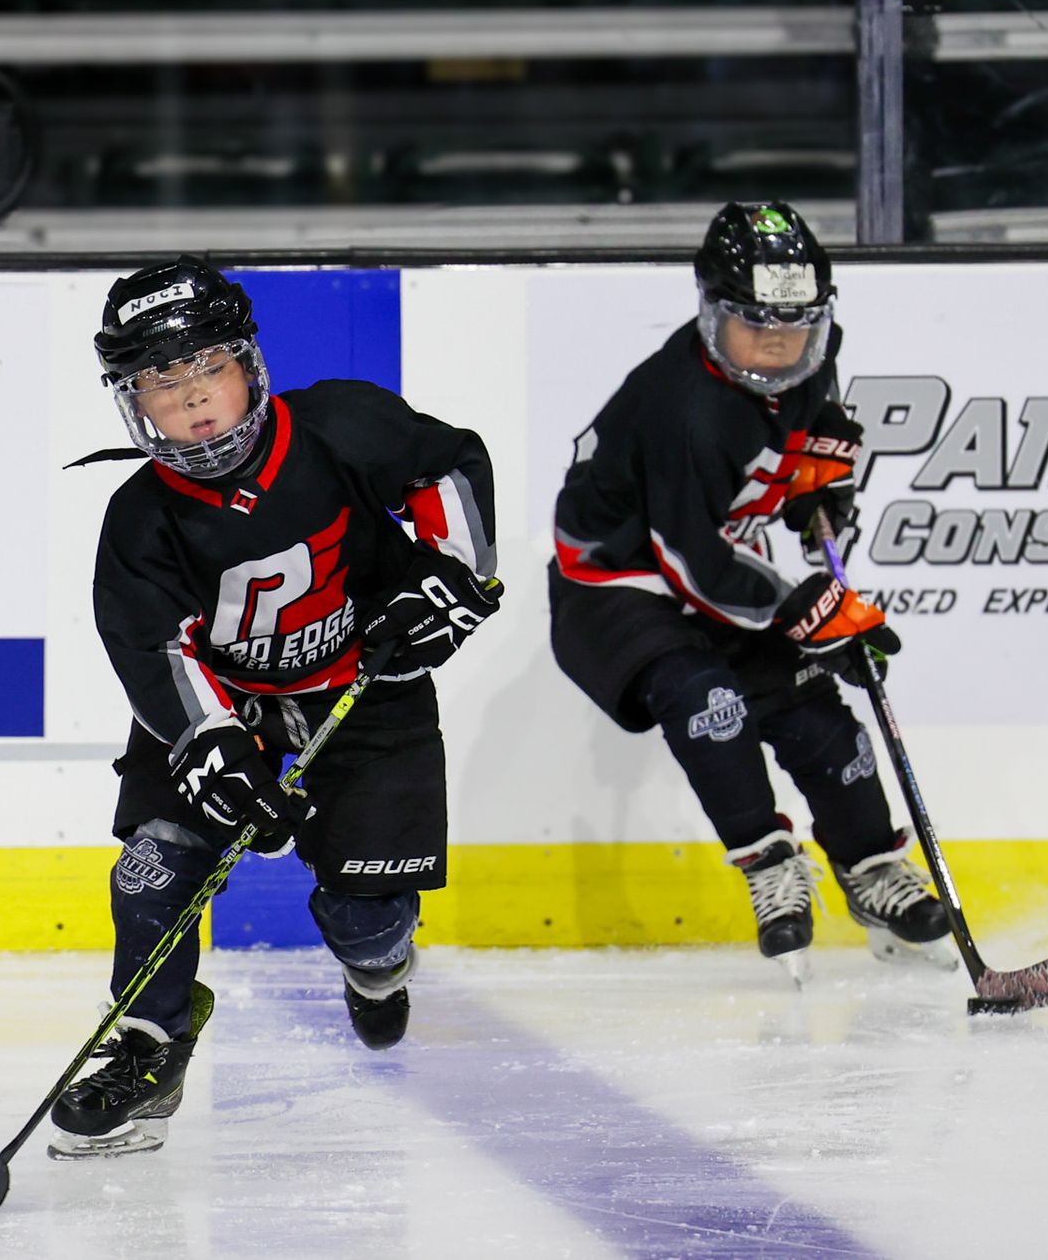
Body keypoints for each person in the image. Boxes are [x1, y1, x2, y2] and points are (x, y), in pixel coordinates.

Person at [51, 255, 501, 1158]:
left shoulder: (340, 424)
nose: (196, 401)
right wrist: (213, 743)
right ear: (134, 403)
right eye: (165, 384)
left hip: (364, 688)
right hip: (235, 704)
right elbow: (158, 649)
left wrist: (451, 576)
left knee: (368, 926)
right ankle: (147, 1046)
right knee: (152, 868)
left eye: (209, 368)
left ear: (250, 364)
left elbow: (447, 468)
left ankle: (378, 973)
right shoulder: (139, 519)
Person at [547, 201, 951, 981]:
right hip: (613, 586)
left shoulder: (808, 360)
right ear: (710, 313)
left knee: (812, 709)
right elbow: (690, 561)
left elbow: (804, 430)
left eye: (795, 324)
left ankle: (871, 868)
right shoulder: (684, 407)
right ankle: (769, 862)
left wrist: (813, 485)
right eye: (755, 323)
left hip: (708, 563)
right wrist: (810, 608)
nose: (776, 342)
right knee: (709, 701)